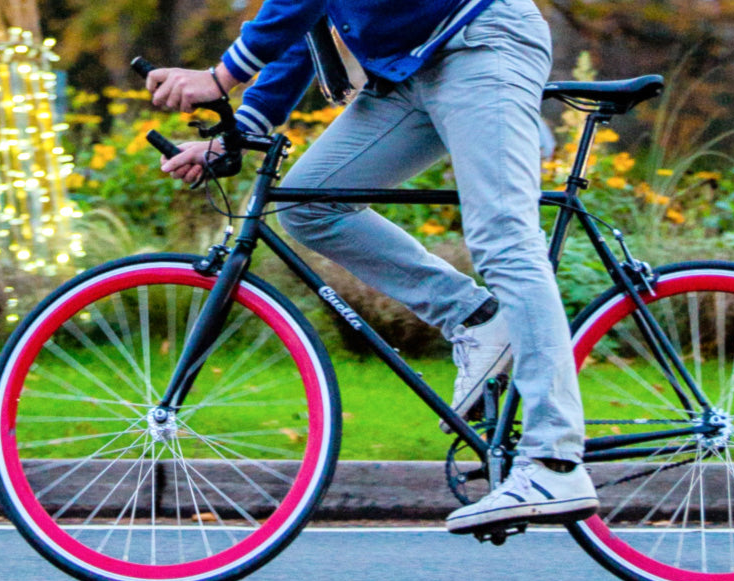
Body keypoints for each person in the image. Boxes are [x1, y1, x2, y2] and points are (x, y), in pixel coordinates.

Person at [145, 0, 599, 535]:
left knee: (504, 237)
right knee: (307, 203)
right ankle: (476, 318)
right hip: (411, 64)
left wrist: (222, 75)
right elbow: (306, 19)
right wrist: (242, 128)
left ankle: (555, 460)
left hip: (480, 40)